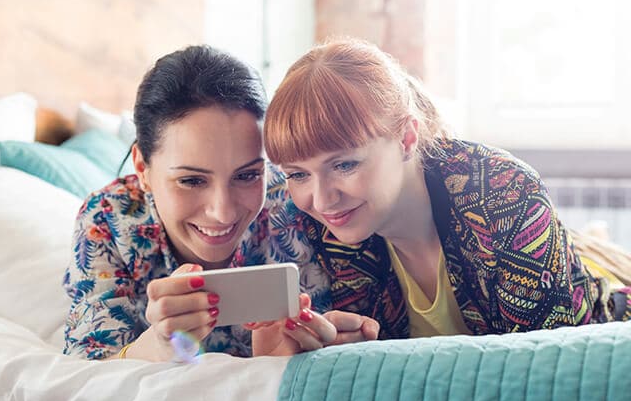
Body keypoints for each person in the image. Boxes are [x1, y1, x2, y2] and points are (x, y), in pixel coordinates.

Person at [258, 37, 631, 344]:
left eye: (344, 165)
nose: (322, 200)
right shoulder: (317, 229)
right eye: (298, 174)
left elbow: (548, 365)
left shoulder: (503, 194)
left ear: (406, 138)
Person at [63, 45, 377, 361]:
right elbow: (84, 370)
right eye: (192, 180)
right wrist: (156, 347)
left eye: (248, 175)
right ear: (143, 169)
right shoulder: (108, 219)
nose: (222, 211)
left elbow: (366, 330)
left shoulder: (304, 203)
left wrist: (328, 353)